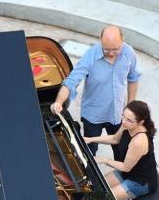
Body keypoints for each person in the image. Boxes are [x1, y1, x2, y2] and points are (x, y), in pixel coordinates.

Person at [50, 25, 141, 157]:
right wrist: (59, 102)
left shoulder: (129, 53)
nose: (110, 53)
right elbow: (72, 81)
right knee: (89, 152)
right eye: (106, 49)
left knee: (122, 150)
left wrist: (131, 107)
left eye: (115, 49)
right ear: (100, 40)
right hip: (93, 115)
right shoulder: (90, 55)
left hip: (118, 113)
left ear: (122, 40)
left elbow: (133, 78)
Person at [84, 100, 157, 200]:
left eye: (129, 120)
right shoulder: (127, 124)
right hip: (128, 172)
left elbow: (125, 167)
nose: (123, 122)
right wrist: (90, 139)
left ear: (141, 122)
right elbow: (115, 139)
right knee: (96, 187)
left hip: (140, 181)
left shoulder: (138, 141)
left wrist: (104, 160)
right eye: (123, 116)